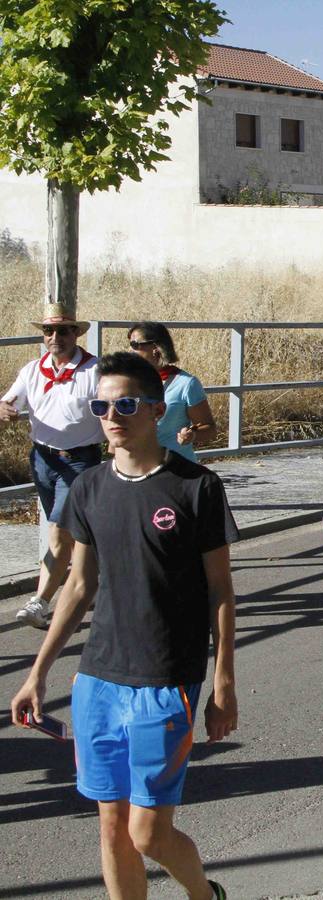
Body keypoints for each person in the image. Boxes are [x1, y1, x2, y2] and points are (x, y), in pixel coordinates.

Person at [9, 351, 238, 900]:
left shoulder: (196, 487)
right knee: (111, 827)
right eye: (102, 405)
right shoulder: (89, 487)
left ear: (156, 410)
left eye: (125, 404)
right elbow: (78, 586)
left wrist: (224, 680)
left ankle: (204, 895)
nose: (112, 415)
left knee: (148, 833)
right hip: (99, 680)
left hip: (166, 680)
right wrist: (37, 673)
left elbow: (221, 589)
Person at [1, 302, 102, 629]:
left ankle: (40, 602)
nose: (55, 336)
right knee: (70, 534)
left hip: (81, 461)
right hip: (43, 460)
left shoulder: (94, 370)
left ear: (76, 333)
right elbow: (8, 401)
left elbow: (111, 410)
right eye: (48, 330)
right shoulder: (32, 370)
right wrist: (4, 409)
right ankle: (93, 583)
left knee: (58, 533)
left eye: (63, 330)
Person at [127, 322, 218, 463]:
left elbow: (209, 428)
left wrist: (191, 435)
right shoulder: (127, 381)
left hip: (175, 466)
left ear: (155, 347)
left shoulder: (186, 383)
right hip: (137, 465)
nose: (130, 350)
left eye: (135, 345)